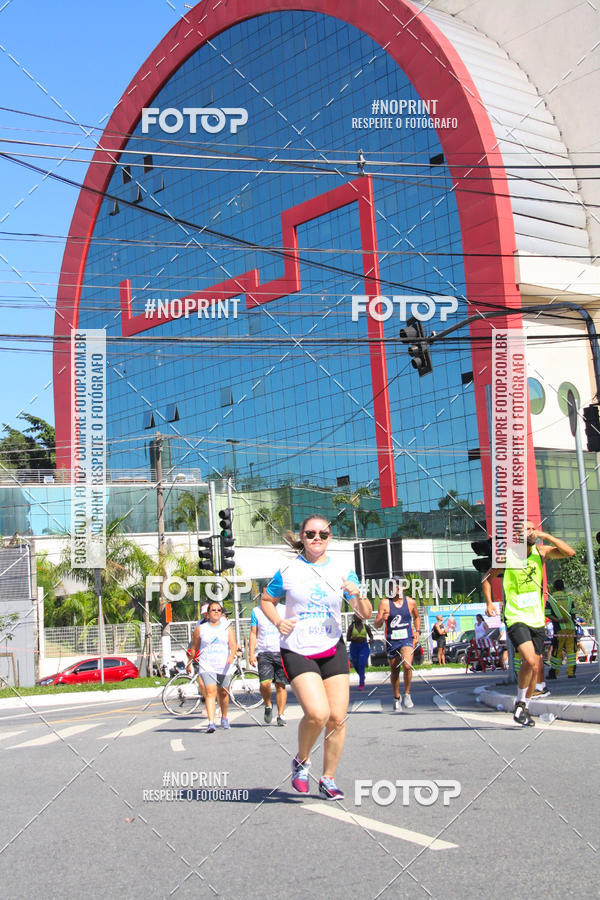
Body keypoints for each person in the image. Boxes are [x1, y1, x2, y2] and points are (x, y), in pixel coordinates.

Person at [261, 514, 371, 800]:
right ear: (302, 537)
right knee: (318, 713)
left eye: (322, 534)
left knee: (337, 717)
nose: (316, 538)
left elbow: (365, 614)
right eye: (310, 534)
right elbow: (265, 599)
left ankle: (328, 778)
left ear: (330, 537)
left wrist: (357, 595)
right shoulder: (288, 570)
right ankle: (302, 760)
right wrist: (277, 621)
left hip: (333, 646)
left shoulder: (344, 570)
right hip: (297, 648)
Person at [483, 522, 575, 727]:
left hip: (536, 618)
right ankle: (520, 702)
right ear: (517, 535)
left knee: (534, 666)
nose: (531, 531)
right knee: (531, 661)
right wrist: (489, 603)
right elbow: (487, 579)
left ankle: (522, 705)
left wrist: (547, 536)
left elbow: (570, 553)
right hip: (515, 616)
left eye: (533, 528)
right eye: (526, 529)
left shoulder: (540, 552)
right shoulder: (507, 556)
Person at [187, 600, 237, 733]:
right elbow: (194, 647)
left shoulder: (227, 627)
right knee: (210, 691)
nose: (216, 612)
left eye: (219, 610)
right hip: (206, 664)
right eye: (213, 610)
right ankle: (211, 722)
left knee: (223, 693)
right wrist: (189, 662)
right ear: (208, 614)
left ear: (221, 613)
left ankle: (224, 717)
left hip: (223, 664)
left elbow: (233, 645)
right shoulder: (200, 629)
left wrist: (231, 655)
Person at [374, 578, 421, 711]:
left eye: (398, 586)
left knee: (407, 665)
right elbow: (376, 624)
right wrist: (382, 619)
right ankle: (396, 698)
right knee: (395, 670)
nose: (396, 589)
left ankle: (407, 694)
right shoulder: (385, 603)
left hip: (407, 638)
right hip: (392, 640)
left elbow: (417, 617)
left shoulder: (411, 602)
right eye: (393, 586)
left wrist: (417, 631)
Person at [249, 598, 288, 725]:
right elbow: (253, 633)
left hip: (281, 651)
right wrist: (251, 653)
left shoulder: (284, 609)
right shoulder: (256, 611)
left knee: (280, 685)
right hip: (264, 653)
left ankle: (281, 715)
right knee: (265, 684)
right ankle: (268, 704)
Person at [546, 579, 577, 679]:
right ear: (563, 587)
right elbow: (573, 614)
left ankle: (554, 673)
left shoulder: (551, 599)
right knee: (571, 651)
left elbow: (547, 614)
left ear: (554, 587)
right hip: (571, 629)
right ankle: (571, 673)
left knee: (557, 651)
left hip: (559, 629)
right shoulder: (569, 598)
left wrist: (558, 620)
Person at [346, 612, 374, 690]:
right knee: (355, 664)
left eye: (359, 616)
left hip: (363, 646)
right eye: (356, 616)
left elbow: (371, 635)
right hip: (354, 647)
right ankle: (362, 676)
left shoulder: (366, 626)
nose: (358, 618)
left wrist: (371, 640)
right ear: (354, 618)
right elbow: (347, 638)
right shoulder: (351, 627)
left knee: (361, 663)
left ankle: (361, 683)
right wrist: (352, 639)